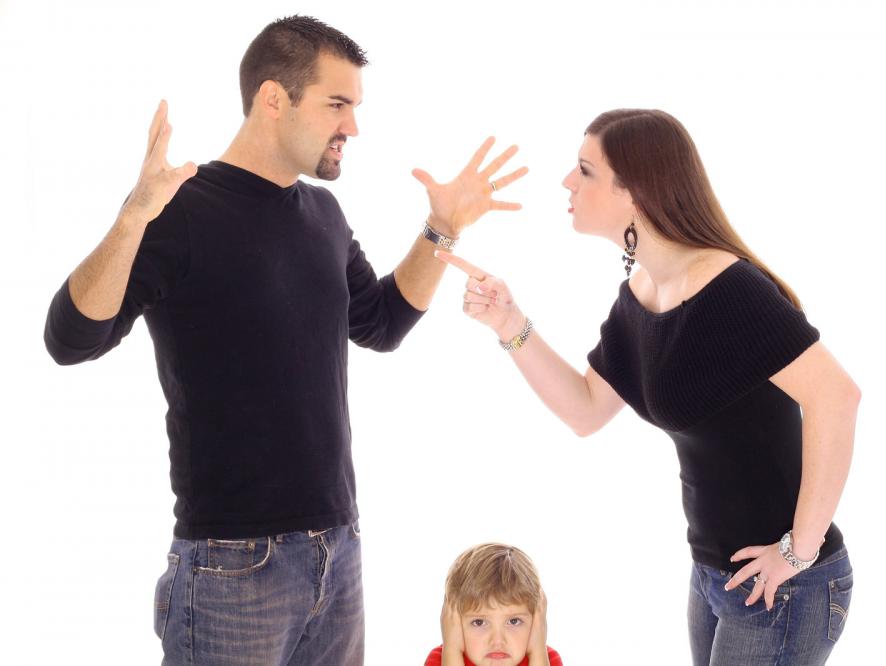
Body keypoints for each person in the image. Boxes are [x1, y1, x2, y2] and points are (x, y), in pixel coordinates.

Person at [42, 15, 526, 665]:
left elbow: (380, 324)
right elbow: (71, 340)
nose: (352, 126)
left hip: (338, 551)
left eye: (354, 107)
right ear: (274, 99)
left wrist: (440, 229)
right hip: (232, 570)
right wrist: (134, 217)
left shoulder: (322, 214)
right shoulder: (181, 211)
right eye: (337, 104)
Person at [437, 109, 859, 665]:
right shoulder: (642, 294)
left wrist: (797, 552)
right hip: (715, 576)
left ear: (633, 192)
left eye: (584, 171)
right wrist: (510, 324)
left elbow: (837, 396)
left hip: (782, 585)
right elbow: (586, 410)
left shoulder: (729, 288)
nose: (567, 182)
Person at [426, 544, 562, 666]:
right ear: (453, 623)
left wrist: (538, 651)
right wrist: (452, 648)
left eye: (514, 621)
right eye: (479, 622)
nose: (498, 641)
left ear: (536, 623)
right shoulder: (441, 659)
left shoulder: (547, 659)